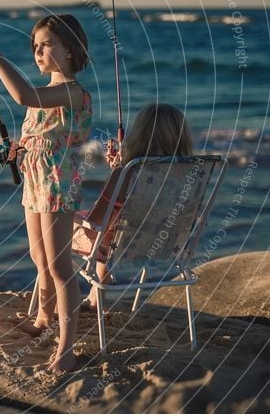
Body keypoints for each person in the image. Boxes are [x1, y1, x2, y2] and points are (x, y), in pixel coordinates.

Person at [0, 14, 92, 374]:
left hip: (57, 187)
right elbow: (44, 135)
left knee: (60, 268)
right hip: (36, 184)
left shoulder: (72, 92)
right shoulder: (47, 95)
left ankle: (66, 349)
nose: (37, 51)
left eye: (45, 44)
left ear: (70, 49)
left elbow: (24, 96)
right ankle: (42, 319)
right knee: (39, 261)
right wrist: (21, 148)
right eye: (34, 45)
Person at [74, 103, 194, 310]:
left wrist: (119, 173)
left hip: (117, 246)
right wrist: (121, 169)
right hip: (166, 243)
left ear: (138, 135)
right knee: (116, 227)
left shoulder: (126, 173)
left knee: (55, 227)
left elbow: (96, 221)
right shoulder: (190, 173)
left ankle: (58, 304)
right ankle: (96, 298)